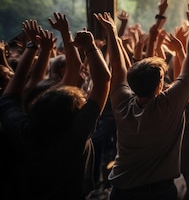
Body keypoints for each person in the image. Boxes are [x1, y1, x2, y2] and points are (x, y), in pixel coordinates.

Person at [104, 0, 189, 200]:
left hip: (121, 190)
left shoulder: (122, 103)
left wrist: (112, 33)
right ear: (161, 83)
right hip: (158, 192)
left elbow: (116, 66)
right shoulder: (168, 104)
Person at [0, 19, 111, 199]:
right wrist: (90, 46)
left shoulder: (22, 130)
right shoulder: (75, 133)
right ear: (73, 113)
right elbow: (104, 80)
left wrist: (34, 46)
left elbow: (9, 98)